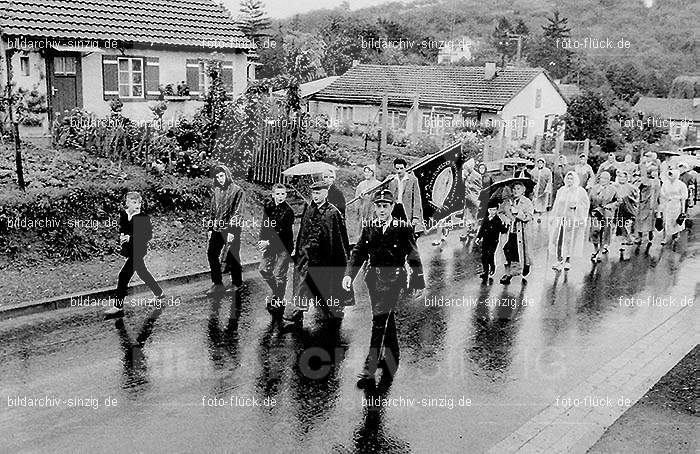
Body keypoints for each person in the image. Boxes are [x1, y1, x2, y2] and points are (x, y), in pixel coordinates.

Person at [342, 189, 425, 389]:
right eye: (378, 206)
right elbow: (359, 251)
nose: (381, 210)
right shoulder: (369, 227)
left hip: (394, 280)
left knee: (379, 320)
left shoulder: (402, 228)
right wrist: (348, 275)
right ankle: (393, 354)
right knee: (385, 317)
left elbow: (413, 254)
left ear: (392, 207)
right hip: (373, 279)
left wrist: (418, 281)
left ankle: (369, 367)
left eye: (385, 206)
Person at [284, 180, 352, 327]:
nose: (315, 196)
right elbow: (302, 231)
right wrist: (298, 249)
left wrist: (341, 258)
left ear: (325, 193)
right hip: (307, 255)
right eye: (313, 192)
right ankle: (299, 311)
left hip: (325, 258)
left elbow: (339, 238)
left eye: (318, 192)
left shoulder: (333, 213)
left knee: (325, 286)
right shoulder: (308, 208)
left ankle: (332, 310)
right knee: (303, 281)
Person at [105, 191, 164, 319]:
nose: (137, 205)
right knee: (143, 272)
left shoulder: (143, 217)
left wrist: (130, 238)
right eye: (134, 202)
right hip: (130, 250)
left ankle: (118, 306)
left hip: (138, 250)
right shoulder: (124, 214)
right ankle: (158, 293)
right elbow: (122, 228)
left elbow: (148, 236)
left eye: (139, 202)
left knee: (123, 275)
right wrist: (121, 236)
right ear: (127, 203)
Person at [258, 183, 295, 319]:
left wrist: (268, 242)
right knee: (263, 269)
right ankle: (277, 291)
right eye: (277, 194)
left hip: (284, 246)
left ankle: (279, 298)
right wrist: (262, 240)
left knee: (279, 273)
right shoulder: (268, 207)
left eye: (283, 194)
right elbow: (264, 225)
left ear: (286, 195)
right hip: (269, 245)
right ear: (273, 195)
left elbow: (281, 231)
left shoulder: (288, 211)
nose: (280, 197)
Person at [206, 165, 245, 295]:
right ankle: (217, 283)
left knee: (233, 255)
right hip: (218, 228)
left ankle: (237, 283)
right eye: (217, 177)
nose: (220, 179)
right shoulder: (216, 190)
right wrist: (210, 228)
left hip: (232, 229)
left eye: (221, 176)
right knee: (212, 253)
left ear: (227, 175)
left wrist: (232, 231)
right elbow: (213, 210)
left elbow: (238, 212)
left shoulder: (237, 191)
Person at [548, 171, 590, 271]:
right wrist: (553, 216)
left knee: (569, 240)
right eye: (568, 178)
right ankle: (559, 260)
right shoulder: (561, 190)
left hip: (572, 219)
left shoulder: (580, 191)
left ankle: (567, 260)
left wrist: (577, 206)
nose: (569, 180)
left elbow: (586, 204)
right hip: (561, 218)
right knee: (558, 239)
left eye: (571, 178)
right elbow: (556, 204)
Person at [500, 181, 534, 284]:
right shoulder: (508, 201)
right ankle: (508, 272)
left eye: (518, 189)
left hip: (521, 233)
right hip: (509, 231)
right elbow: (501, 212)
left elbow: (529, 217)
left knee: (519, 252)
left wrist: (517, 213)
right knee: (507, 250)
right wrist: (505, 218)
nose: (515, 191)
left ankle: (520, 268)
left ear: (523, 190)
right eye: (514, 189)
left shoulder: (527, 202)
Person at [386, 158, 425, 235]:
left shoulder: (412, 180)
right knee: (394, 233)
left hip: (407, 210)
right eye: (397, 169)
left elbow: (417, 199)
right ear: (394, 168)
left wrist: (416, 216)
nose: (399, 171)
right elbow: (382, 190)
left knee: (408, 233)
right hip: (394, 209)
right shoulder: (391, 179)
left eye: (401, 168)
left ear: (405, 168)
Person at [474, 197, 508, 282]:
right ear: (488, 210)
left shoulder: (498, 220)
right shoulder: (485, 219)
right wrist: (478, 237)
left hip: (494, 241)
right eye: (490, 210)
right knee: (483, 256)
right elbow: (482, 229)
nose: (492, 212)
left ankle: (492, 267)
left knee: (490, 254)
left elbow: (502, 230)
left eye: (494, 210)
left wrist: (506, 226)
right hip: (485, 240)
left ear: (497, 210)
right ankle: (485, 270)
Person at [588, 171, 618, 261]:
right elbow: (589, 200)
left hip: (607, 213)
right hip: (596, 213)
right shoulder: (594, 188)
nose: (603, 180)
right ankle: (596, 249)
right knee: (595, 230)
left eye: (605, 178)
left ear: (609, 180)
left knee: (604, 233)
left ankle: (600, 251)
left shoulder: (613, 189)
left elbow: (618, 201)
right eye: (601, 178)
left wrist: (611, 206)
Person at [634, 161, 661, 248]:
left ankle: (650, 235)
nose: (655, 173)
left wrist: (658, 205)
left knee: (651, 220)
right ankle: (639, 236)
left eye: (656, 171)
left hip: (653, 204)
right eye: (653, 171)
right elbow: (636, 188)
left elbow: (659, 193)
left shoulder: (657, 182)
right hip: (644, 203)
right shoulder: (644, 180)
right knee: (641, 219)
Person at [659, 169, 688, 247]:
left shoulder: (681, 185)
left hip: (676, 205)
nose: (670, 177)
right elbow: (662, 193)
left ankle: (675, 234)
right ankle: (664, 237)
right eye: (669, 175)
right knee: (665, 221)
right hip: (667, 204)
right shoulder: (665, 184)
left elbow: (684, 197)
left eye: (672, 175)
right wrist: (665, 198)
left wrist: (683, 210)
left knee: (675, 221)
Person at [613, 170, 639, 248]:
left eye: (624, 177)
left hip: (628, 208)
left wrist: (632, 199)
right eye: (620, 177)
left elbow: (636, 197)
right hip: (618, 208)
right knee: (620, 223)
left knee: (632, 222)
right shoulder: (614, 186)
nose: (622, 178)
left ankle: (633, 236)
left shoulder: (631, 187)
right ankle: (626, 238)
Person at [354, 165, 381, 236]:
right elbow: (357, 200)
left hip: (373, 209)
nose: (367, 174)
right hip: (363, 210)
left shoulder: (378, 184)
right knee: (362, 228)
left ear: (373, 173)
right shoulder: (361, 185)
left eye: (369, 172)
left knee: (373, 228)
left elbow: (378, 197)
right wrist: (357, 210)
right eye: (365, 172)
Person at [530, 157, 552, 223]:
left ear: (543, 164)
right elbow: (531, 179)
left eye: (541, 163)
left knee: (542, 203)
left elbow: (549, 181)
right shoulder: (534, 171)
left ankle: (540, 216)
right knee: (534, 202)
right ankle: (532, 216)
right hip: (535, 189)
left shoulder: (547, 171)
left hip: (543, 189)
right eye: (539, 163)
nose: (540, 164)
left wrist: (547, 189)